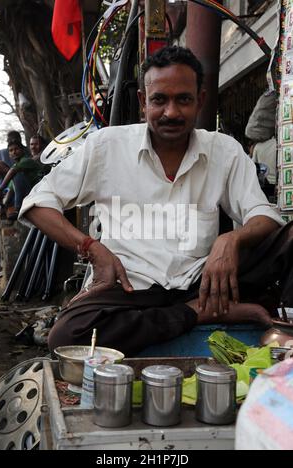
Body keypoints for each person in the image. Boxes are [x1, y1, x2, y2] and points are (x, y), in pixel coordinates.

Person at [19, 46, 293, 356]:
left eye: (184, 100)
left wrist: (231, 239)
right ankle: (195, 313)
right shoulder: (107, 146)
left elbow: (264, 216)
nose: (172, 112)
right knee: (68, 335)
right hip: (130, 286)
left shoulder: (224, 150)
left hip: (203, 282)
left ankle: (225, 312)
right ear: (142, 102)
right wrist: (92, 248)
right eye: (159, 100)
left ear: (200, 100)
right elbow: (39, 203)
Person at [0, 140, 43, 219]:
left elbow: (12, 171)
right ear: (9, 154)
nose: (14, 152)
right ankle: (16, 208)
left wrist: (0, 189)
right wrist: (4, 205)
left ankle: (18, 208)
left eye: (16, 149)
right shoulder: (16, 165)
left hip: (38, 191)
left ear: (22, 150)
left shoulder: (26, 160)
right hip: (30, 193)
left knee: (17, 175)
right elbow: (12, 187)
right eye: (11, 150)